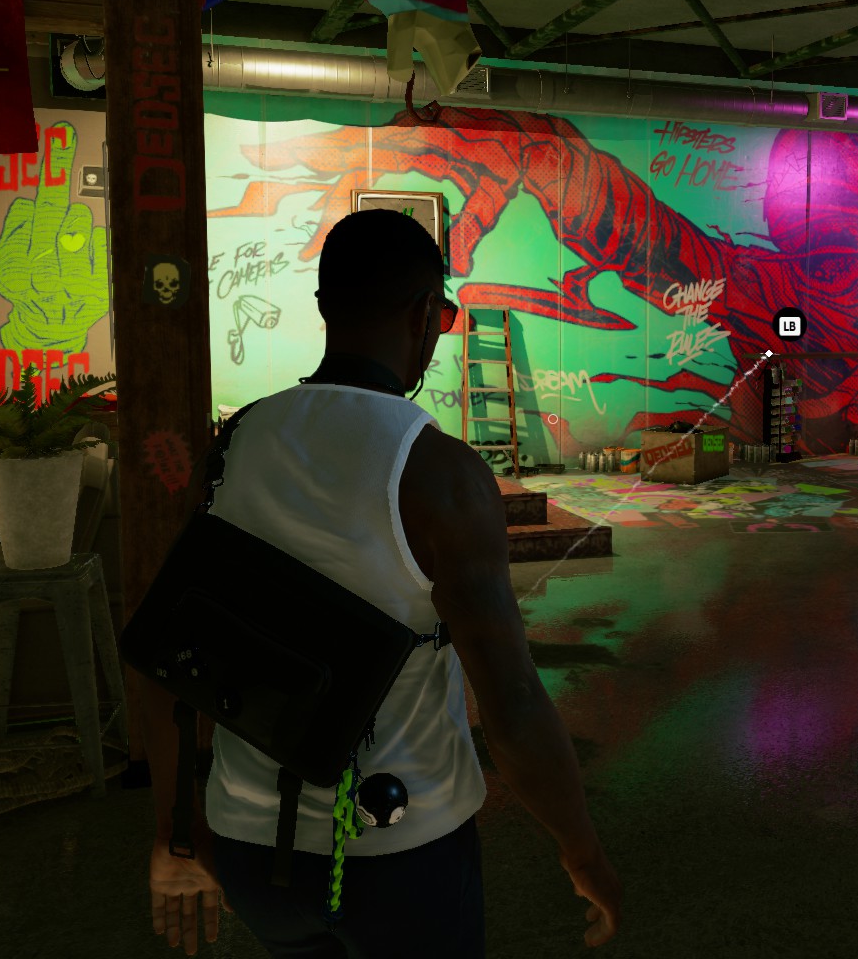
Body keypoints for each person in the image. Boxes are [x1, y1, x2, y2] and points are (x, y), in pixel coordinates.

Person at [145, 209, 621, 956]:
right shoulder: (442, 476)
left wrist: (176, 831)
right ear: (425, 315)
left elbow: (170, 653)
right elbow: (514, 703)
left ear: (325, 306)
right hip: (400, 856)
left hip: (246, 849)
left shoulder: (233, 444)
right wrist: (582, 850)